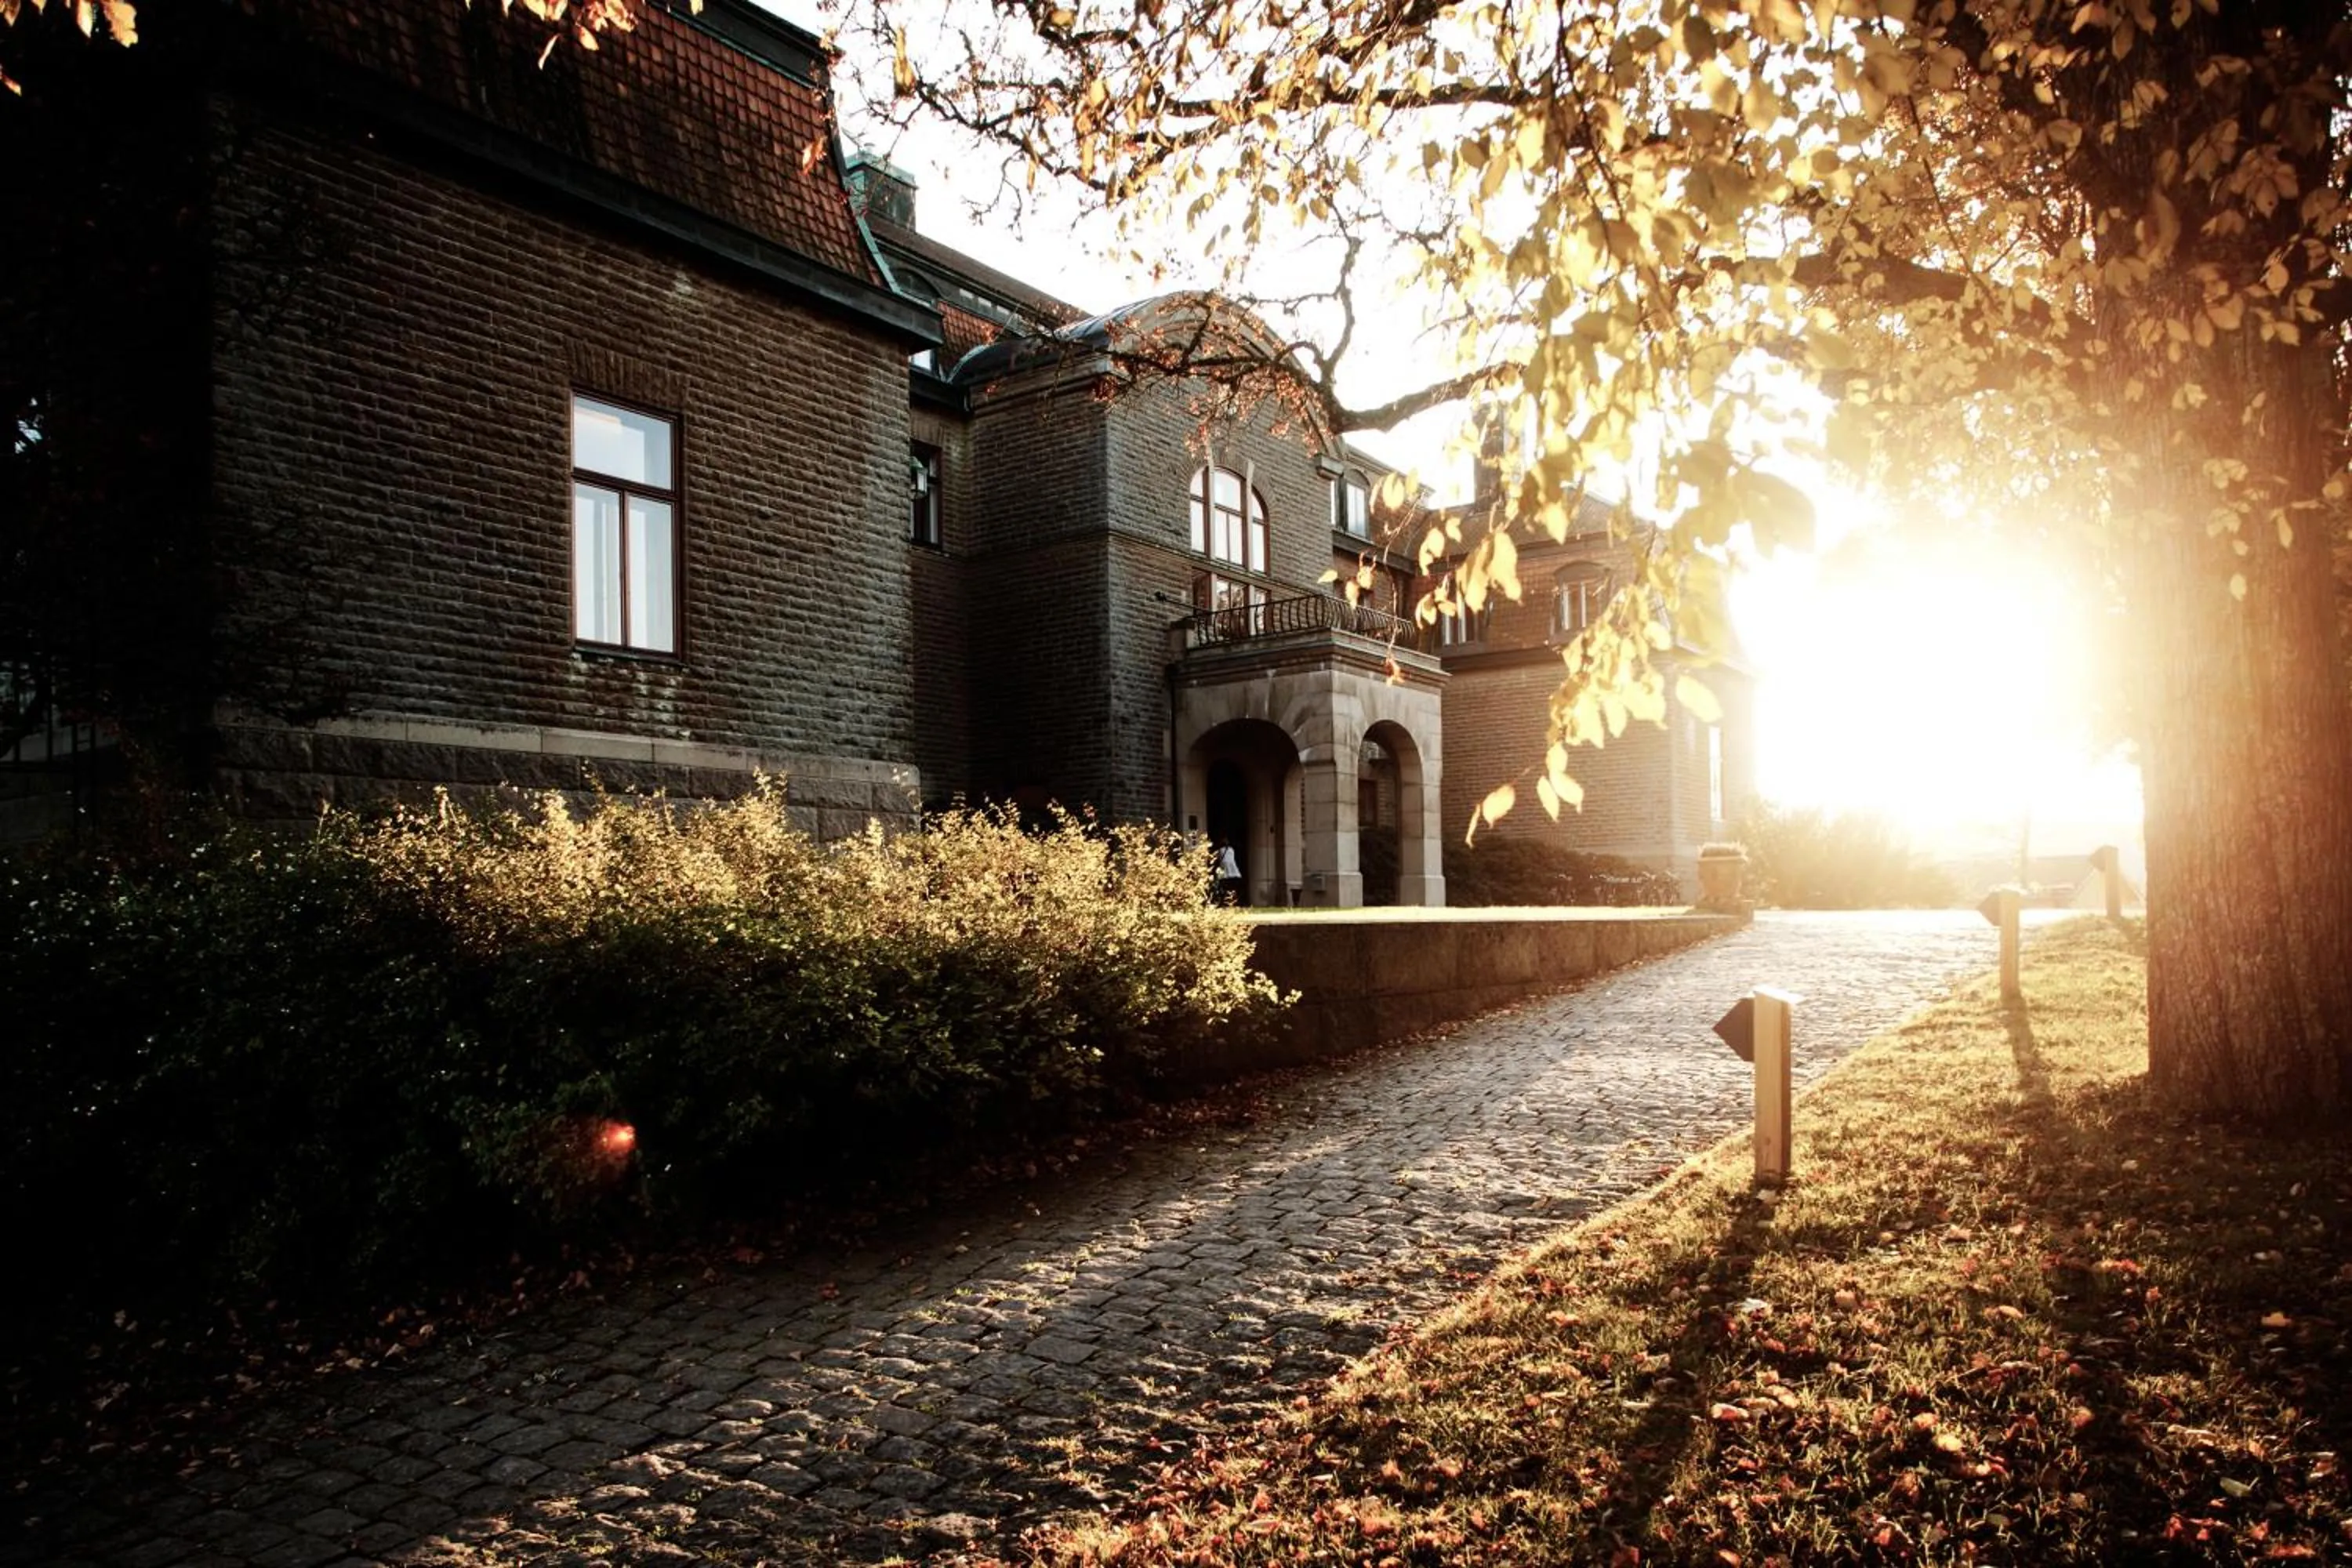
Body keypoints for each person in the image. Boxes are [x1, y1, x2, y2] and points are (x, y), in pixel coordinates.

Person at [1214, 838, 1243, 906]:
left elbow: (1218, 860)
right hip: (1233, 871)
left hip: (1223, 869)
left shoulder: (1220, 850)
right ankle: (1233, 900)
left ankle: (1222, 901)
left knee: (1221, 885)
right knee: (1232, 887)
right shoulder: (1231, 850)